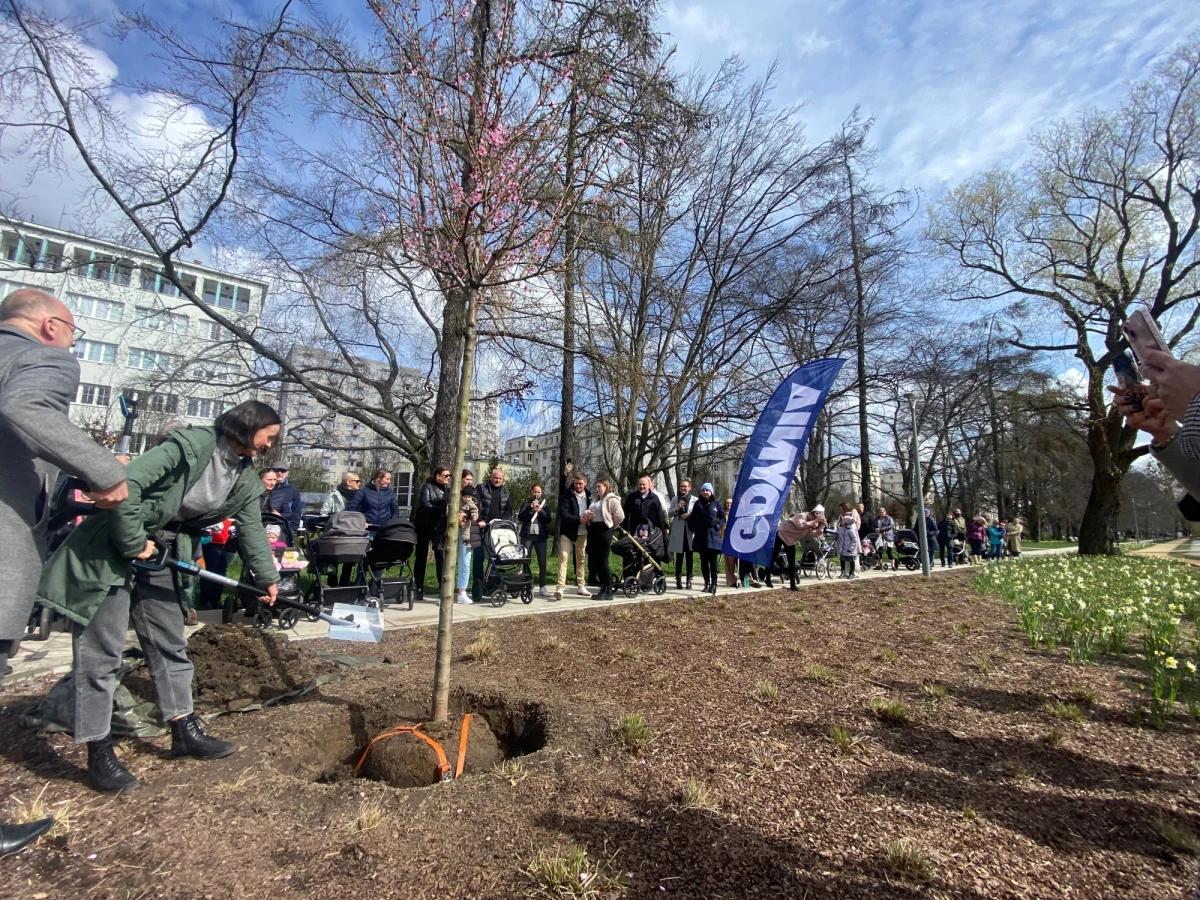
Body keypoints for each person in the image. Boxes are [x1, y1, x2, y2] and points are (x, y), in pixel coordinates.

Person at [37, 400, 282, 793]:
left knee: (170, 641)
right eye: (268, 436)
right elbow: (124, 484)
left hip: (165, 552)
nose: (271, 445)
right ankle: (98, 751)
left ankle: (183, 730)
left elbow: (251, 527)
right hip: (116, 546)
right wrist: (136, 544)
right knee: (102, 651)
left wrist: (267, 576)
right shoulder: (190, 446)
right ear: (247, 425)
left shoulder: (245, 476)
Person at [0, 288, 129, 847]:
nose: (75, 342)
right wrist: (102, 469)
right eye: (76, 332)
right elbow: (25, 409)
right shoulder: (43, 355)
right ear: (51, 325)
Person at [473, 468, 512, 600]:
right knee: (478, 559)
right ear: (491, 477)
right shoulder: (481, 488)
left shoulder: (505, 491)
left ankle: (491, 584)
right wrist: (479, 520)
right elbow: (475, 505)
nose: (497, 480)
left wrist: (502, 522)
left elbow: (509, 509)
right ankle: (477, 586)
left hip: (496, 531)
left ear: (503, 479)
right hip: (482, 528)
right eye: (495, 478)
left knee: (495, 560)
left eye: (500, 478)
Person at [582, 477, 624, 600]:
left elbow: (620, 516)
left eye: (599, 486)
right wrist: (587, 515)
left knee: (603, 561)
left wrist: (611, 526)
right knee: (595, 561)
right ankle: (603, 588)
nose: (597, 489)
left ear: (606, 487)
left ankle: (609, 590)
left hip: (604, 530)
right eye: (596, 487)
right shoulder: (596, 500)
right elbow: (590, 512)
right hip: (594, 529)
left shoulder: (612, 499)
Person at [554, 467, 592, 601]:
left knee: (581, 559)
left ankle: (581, 586)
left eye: (580, 484)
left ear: (585, 483)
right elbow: (563, 514)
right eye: (576, 483)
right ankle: (560, 588)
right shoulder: (567, 494)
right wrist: (578, 520)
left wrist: (589, 518)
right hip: (568, 532)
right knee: (564, 557)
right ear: (573, 482)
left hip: (582, 533)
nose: (578, 486)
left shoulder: (589, 495)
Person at [412, 467, 449, 600]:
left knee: (441, 556)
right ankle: (419, 587)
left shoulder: (448, 490)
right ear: (437, 476)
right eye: (446, 475)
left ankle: (442, 587)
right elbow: (425, 504)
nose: (448, 478)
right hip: (425, 525)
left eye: (449, 476)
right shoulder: (427, 487)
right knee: (421, 557)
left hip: (439, 527)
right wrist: (443, 508)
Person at [771, 504, 827, 587]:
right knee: (774, 556)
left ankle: (792, 584)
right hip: (781, 535)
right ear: (812, 513)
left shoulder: (812, 524)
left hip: (790, 540)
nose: (816, 518)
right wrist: (814, 521)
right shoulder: (802, 515)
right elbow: (800, 525)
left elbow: (814, 534)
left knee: (791, 561)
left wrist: (821, 526)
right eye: (815, 515)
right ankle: (768, 578)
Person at [687, 483, 725, 595]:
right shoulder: (697, 504)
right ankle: (706, 583)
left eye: (707, 490)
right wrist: (694, 527)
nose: (705, 492)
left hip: (713, 536)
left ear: (711, 492)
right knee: (703, 561)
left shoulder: (716, 504)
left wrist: (718, 526)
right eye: (703, 490)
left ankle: (714, 583)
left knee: (713, 562)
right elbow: (692, 518)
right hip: (701, 536)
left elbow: (722, 518)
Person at [517, 483, 552, 597]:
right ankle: (527, 585)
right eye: (534, 491)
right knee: (526, 560)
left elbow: (548, 519)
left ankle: (542, 586)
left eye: (538, 492)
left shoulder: (544, 504)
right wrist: (529, 508)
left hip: (540, 537)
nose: (536, 494)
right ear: (531, 492)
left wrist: (541, 511)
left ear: (541, 493)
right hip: (527, 536)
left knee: (542, 561)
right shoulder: (526, 503)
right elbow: (520, 517)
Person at [454, 481, 481, 605]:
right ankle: (453, 590)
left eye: (469, 497)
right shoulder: (456, 501)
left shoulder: (472, 503)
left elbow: (475, 511)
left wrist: (470, 516)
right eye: (465, 496)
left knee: (465, 564)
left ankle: (462, 592)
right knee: (454, 564)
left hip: (466, 535)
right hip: (454, 534)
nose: (467, 499)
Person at [668, 478, 696, 590]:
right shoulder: (675, 499)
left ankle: (689, 580)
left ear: (689, 488)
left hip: (689, 531)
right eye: (681, 486)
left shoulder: (695, 500)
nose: (683, 488)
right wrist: (677, 508)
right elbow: (669, 514)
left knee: (690, 556)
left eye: (685, 486)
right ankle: (678, 580)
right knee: (679, 557)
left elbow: (698, 514)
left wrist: (689, 515)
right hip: (679, 531)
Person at [266, 465, 303, 534]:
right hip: (265, 526)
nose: (279, 473)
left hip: (284, 528)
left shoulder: (293, 491)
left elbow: (296, 511)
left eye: (283, 470)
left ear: (287, 473)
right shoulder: (265, 488)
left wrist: (292, 528)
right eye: (276, 470)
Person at [872, 507, 897, 571]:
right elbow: (872, 526)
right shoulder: (876, 519)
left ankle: (893, 566)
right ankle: (879, 565)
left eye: (882, 512)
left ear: (885, 512)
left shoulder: (889, 518)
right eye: (879, 512)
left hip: (887, 537)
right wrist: (875, 529)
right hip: (879, 536)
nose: (881, 513)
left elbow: (891, 525)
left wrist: (881, 529)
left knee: (889, 551)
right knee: (879, 551)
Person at [836, 513, 861, 578]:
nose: (842, 522)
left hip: (850, 549)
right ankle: (843, 571)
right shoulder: (842, 529)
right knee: (842, 560)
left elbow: (854, 540)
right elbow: (838, 534)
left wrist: (851, 548)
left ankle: (851, 572)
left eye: (843, 521)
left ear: (847, 522)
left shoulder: (851, 530)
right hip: (843, 548)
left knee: (851, 561)